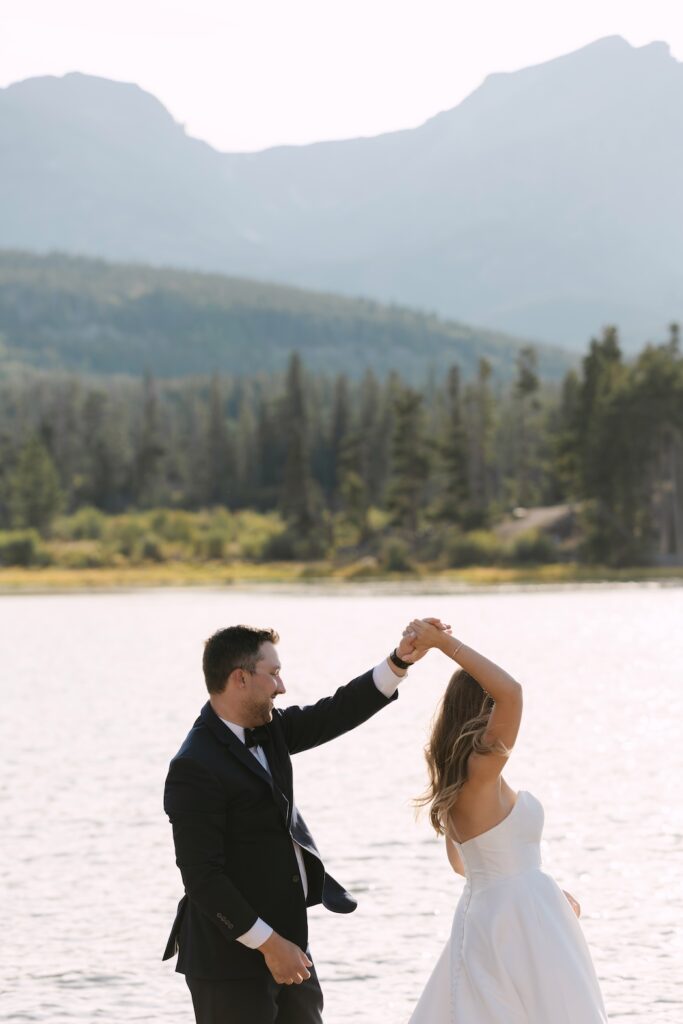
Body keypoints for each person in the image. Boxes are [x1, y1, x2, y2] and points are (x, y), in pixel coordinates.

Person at [163, 621, 434, 1024]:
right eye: (273, 674)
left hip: (290, 944)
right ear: (240, 678)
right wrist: (270, 946)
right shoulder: (193, 766)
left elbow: (334, 712)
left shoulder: (269, 730)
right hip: (228, 963)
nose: (282, 686)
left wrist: (398, 663)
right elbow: (202, 878)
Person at [405, 617, 609, 1024]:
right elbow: (512, 693)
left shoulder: (459, 778)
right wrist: (444, 645)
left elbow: (465, 864)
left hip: (501, 911)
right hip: (517, 921)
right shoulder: (481, 770)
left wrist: (535, 889)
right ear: (485, 709)